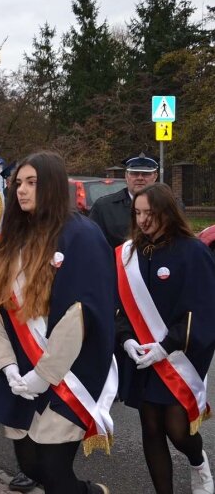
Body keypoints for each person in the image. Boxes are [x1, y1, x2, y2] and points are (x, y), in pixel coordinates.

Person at [0, 151, 115, 494]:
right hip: (21, 371)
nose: (21, 191)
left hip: (66, 372)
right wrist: (8, 365)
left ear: (53, 186)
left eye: (32, 183)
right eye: (18, 183)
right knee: (30, 466)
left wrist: (43, 375)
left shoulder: (82, 236)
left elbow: (81, 315)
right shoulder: (13, 237)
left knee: (54, 471)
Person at [115, 183, 215, 494]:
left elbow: (202, 307)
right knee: (151, 427)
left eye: (150, 214)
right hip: (144, 355)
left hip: (179, 355)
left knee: (178, 430)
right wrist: (126, 339)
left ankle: (198, 461)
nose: (143, 221)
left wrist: (166, 347)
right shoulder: (131, 253)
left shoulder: (192, 251)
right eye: (138, 213)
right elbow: (119, 304)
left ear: (167, 213)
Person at [89, 153, 158, 248]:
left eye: (146, 174)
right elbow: (93, 245)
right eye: (134, 173)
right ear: (126, 176)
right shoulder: (104, 207)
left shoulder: (169, 206)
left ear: (155, 176)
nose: (140, 178)